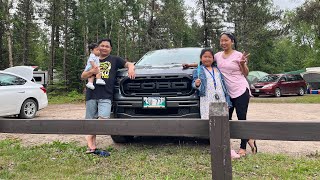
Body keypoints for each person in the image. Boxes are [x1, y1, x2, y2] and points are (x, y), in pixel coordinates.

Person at [81, 38, 135, 157]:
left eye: (107, 46)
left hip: (106, 95)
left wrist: (131, 68)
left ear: (110, 49)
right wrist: (92, 71)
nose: (104, 48)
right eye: (102, 45)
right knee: (90, 121)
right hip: (91, 94)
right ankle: (92, 147)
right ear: (98, 47)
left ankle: (89, 139)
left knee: (103, 119)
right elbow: (83, 75)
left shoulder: (115, 60)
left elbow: (129, 63)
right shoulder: (92, 59)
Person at [192, 48, 240, 159]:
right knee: (210, 125)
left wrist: (227, 101)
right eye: (205, 56)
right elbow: (193, 84)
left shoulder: (217, 69)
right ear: (201, 58)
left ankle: (229, 149)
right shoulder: (198, 70)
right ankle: (215, 149)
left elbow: (224, 87)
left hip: (220, 99)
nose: (207, 58)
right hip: (207, 100)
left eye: (209, 56)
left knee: (223, 123)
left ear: (213, 58)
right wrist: (197, 84)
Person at [214, 32, 256, 157]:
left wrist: (242, 64)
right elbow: (206, 61)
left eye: (226, 40)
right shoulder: (217, 56)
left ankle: (243, 147)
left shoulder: (238, 55)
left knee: (241, 118)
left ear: (232, 41)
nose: (223, 43)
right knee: (226, 119)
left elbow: (246, 73)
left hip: (240, 90)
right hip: (227, 94)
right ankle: (249, 138)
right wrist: (189, 65)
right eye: (221, 40)